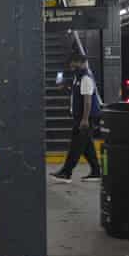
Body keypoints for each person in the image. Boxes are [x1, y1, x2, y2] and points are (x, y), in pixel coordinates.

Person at [51, 53, 102, 183]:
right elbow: (77, 93)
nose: (71, 66)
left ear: (81, 62)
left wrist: (84, 119)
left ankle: (66, 173)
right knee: (86, 146)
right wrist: (66, 86)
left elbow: (88, 101)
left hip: (86, 117)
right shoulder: (78, 77)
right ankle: (96, 172)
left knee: (76, 145)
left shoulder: (86, 78)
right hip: (81, 117)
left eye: (73, 63)